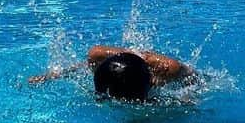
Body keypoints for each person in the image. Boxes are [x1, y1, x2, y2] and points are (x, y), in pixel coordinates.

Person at [28, 45, 195, 102]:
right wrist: (53, 75)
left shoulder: (168, 70)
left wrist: (188, 98)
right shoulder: (97, 56)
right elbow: (84, 65)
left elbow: (193, 81)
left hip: (178, 74)